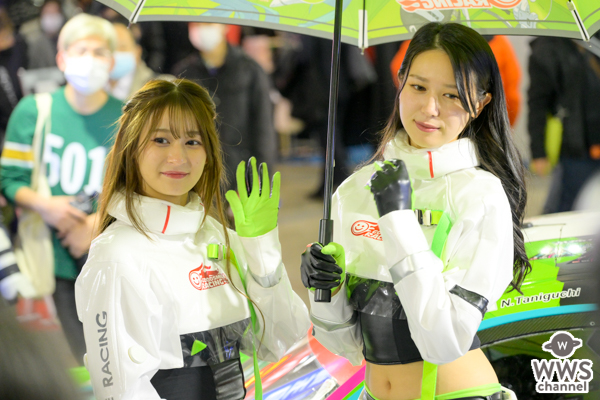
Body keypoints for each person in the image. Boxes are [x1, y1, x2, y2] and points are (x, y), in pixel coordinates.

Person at [301, 22, 529, 400]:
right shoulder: (355, 191)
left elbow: (443, 342)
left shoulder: (482, 195)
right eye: (418, 86)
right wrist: (327, 289)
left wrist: (397, 220)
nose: (430, 108)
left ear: (482, 103)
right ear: (400, 79)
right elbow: (346, 345)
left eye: (453, 95)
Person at [75, 78, 310, 400]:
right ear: (131, 150)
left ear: (209, 152)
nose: (178, 157)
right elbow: (120, 388)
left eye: (192, 142)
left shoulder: (215, 235)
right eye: (160, 140)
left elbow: (282, 338)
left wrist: (262, 252)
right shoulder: (117, 254)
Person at [0, 13, 122, 364]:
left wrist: (96, 224)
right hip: (52, 261)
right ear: (61, 58)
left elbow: (140, 190)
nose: (90, 59)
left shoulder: (128, 117)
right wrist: (46, 206)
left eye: (99, 52)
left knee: (114, 354)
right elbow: (10, 180)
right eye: (80, 50)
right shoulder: (33, 111)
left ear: (111, 62)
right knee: (73, 359)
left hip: (110, 258)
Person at [172, 22, 277, 189]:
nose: (202, 28)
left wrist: (259, 178)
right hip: (198, 175)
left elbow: (263, 129)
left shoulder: (250, 70)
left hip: (239, 172)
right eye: (197, 24)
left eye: (208, 23)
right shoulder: (184, 72)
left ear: (225, 26)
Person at [528, 34, 600, 213]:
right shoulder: (546, 50)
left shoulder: (595, 38)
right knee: (565, 208)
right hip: (575, 148)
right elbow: (538, 103)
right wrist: (538, 152)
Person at [107, 22, 173, 101]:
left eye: (123, 47)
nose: (115, 53)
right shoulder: (93, 88)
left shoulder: (162, 88)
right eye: (111, 48)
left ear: (137, 52)